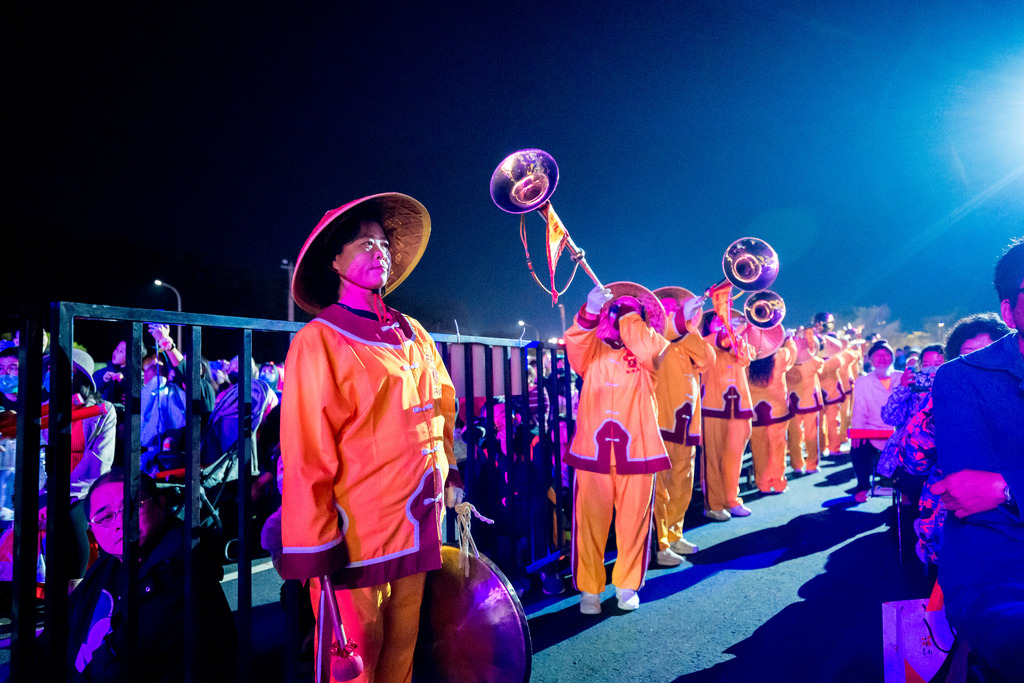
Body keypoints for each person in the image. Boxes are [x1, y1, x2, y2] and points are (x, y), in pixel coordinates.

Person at [277, 193, 462, 683]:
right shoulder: (319, 339)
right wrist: (316, 545)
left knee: (402, 655)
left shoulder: (413, 331)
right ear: (334, 262)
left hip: (418, 520)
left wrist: (449, 470)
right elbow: (306, 453)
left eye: (383, 243)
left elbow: (443, 406)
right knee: (354, 666)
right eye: (363, 244)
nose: (379, 251)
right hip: (357, 537)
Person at [927, 238, 1024, 680]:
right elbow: (971, 495)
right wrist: (1000, 493)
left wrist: (1007, 488)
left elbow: (992, 490)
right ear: (1009, 311)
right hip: (1001, 565)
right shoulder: (960, 378)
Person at [66, 468, 236, 681]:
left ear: (161, 504)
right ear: (92, 530)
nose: (120, 522)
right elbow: (62, 625)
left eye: (133, 507)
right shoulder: (109, 563)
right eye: (105, 517)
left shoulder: (180, 571)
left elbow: (119, 664)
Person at [564, 282, 669, 614]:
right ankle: (589, 589)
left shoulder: (650, 349)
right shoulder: (592, 348)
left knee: (633, 523)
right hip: (592, 453)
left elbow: (651, 349)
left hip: (638, 451)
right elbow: (574, 342)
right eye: (617, 310)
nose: (621, 315)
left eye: (630, 312)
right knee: (589, 524)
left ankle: (626, 585)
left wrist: (628, 315)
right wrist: (592, 311)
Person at [897, 315, 1010, 566]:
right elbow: (910, 462)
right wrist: (938, 418)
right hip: (950, 529)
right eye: (968, 357)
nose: (978, 365)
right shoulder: (941, 397)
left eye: (987, 354)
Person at [41, 348, 118, 589]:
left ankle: (74, 589)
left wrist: (64, 492)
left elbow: (98, 462)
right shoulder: (43, 409)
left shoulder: (102, 411)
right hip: (47, 486)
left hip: (84, 490)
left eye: (60, 368)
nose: (51, 373)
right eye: (49, 368)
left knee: (72, 517)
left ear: (80, 377)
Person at [651, 286, 713, 566]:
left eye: (677, 310)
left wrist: (689, 329)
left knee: (682, 483)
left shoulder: (688, 339)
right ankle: (660, 543)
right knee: (660, 488)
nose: (674, 314)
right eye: (668, 310)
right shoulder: (655, 337)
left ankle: (675, 533)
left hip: (687, 425)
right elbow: (663, 334)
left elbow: (708, 359)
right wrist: (678, 325)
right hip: (661, 423)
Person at [699, 311, 756, 521]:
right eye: (718, 319)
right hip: (713, 406)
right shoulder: (704, 341)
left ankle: (733, 500)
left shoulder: (738, 341)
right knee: (712, 459)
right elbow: (714, 345)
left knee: (735, 457)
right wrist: (731, 331)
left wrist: (737, 334)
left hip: (739, 406)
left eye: (725, 318)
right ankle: (713, 505)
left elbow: (746, 358)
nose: (723, 322)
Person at [849, 339, 902, 502]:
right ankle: (863, 486)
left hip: (899, 432)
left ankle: (905, 490)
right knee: (857, 447)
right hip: (872, 430)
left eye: (886, 354)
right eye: (877, 355)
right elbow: (859, 411)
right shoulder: (862, 381)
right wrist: (857, 432)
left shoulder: (902, 377)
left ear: (892, 357)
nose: (882, 358)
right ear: (870, 359)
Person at [746, 327, 797, 494]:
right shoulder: (781, 355)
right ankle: (779, 482)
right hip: (778, 410)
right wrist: (789, 339)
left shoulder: (747, 357)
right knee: (778, 447)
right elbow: (793, 355)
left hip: (755, 411)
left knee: (758, 448)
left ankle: (763, 484)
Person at [785, 328, 824, 474]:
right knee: (811, 435)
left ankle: (797, 465)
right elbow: (821, 366)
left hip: (793, 403)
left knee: (794, 436)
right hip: (809, 403)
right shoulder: (814, 361)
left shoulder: (787, 362)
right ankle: (812, 465)